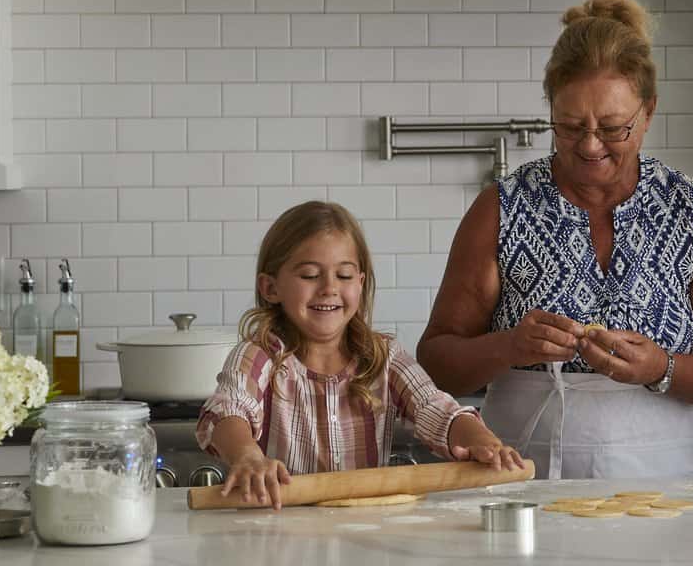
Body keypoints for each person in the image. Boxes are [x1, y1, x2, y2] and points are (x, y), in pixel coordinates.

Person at [417, 0, 693, 480]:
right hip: (525, 484)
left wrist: (662, 368)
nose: (591, 145)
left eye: (614, 128)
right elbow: (437, 362)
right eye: (571, 127)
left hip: (666, 486)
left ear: (649, 112)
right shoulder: (502, 208)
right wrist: (510, 346)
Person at [196, 201, 523, 509]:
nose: (329, 288)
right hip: (281, 529)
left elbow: (434, 408)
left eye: (344, 275)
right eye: (310, 275)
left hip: (364, 532)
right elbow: (228, 412)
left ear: (361, 283)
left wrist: (481, 439)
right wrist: (247, 456)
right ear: (271, 288)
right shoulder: (260, 356)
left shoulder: (384, 357)